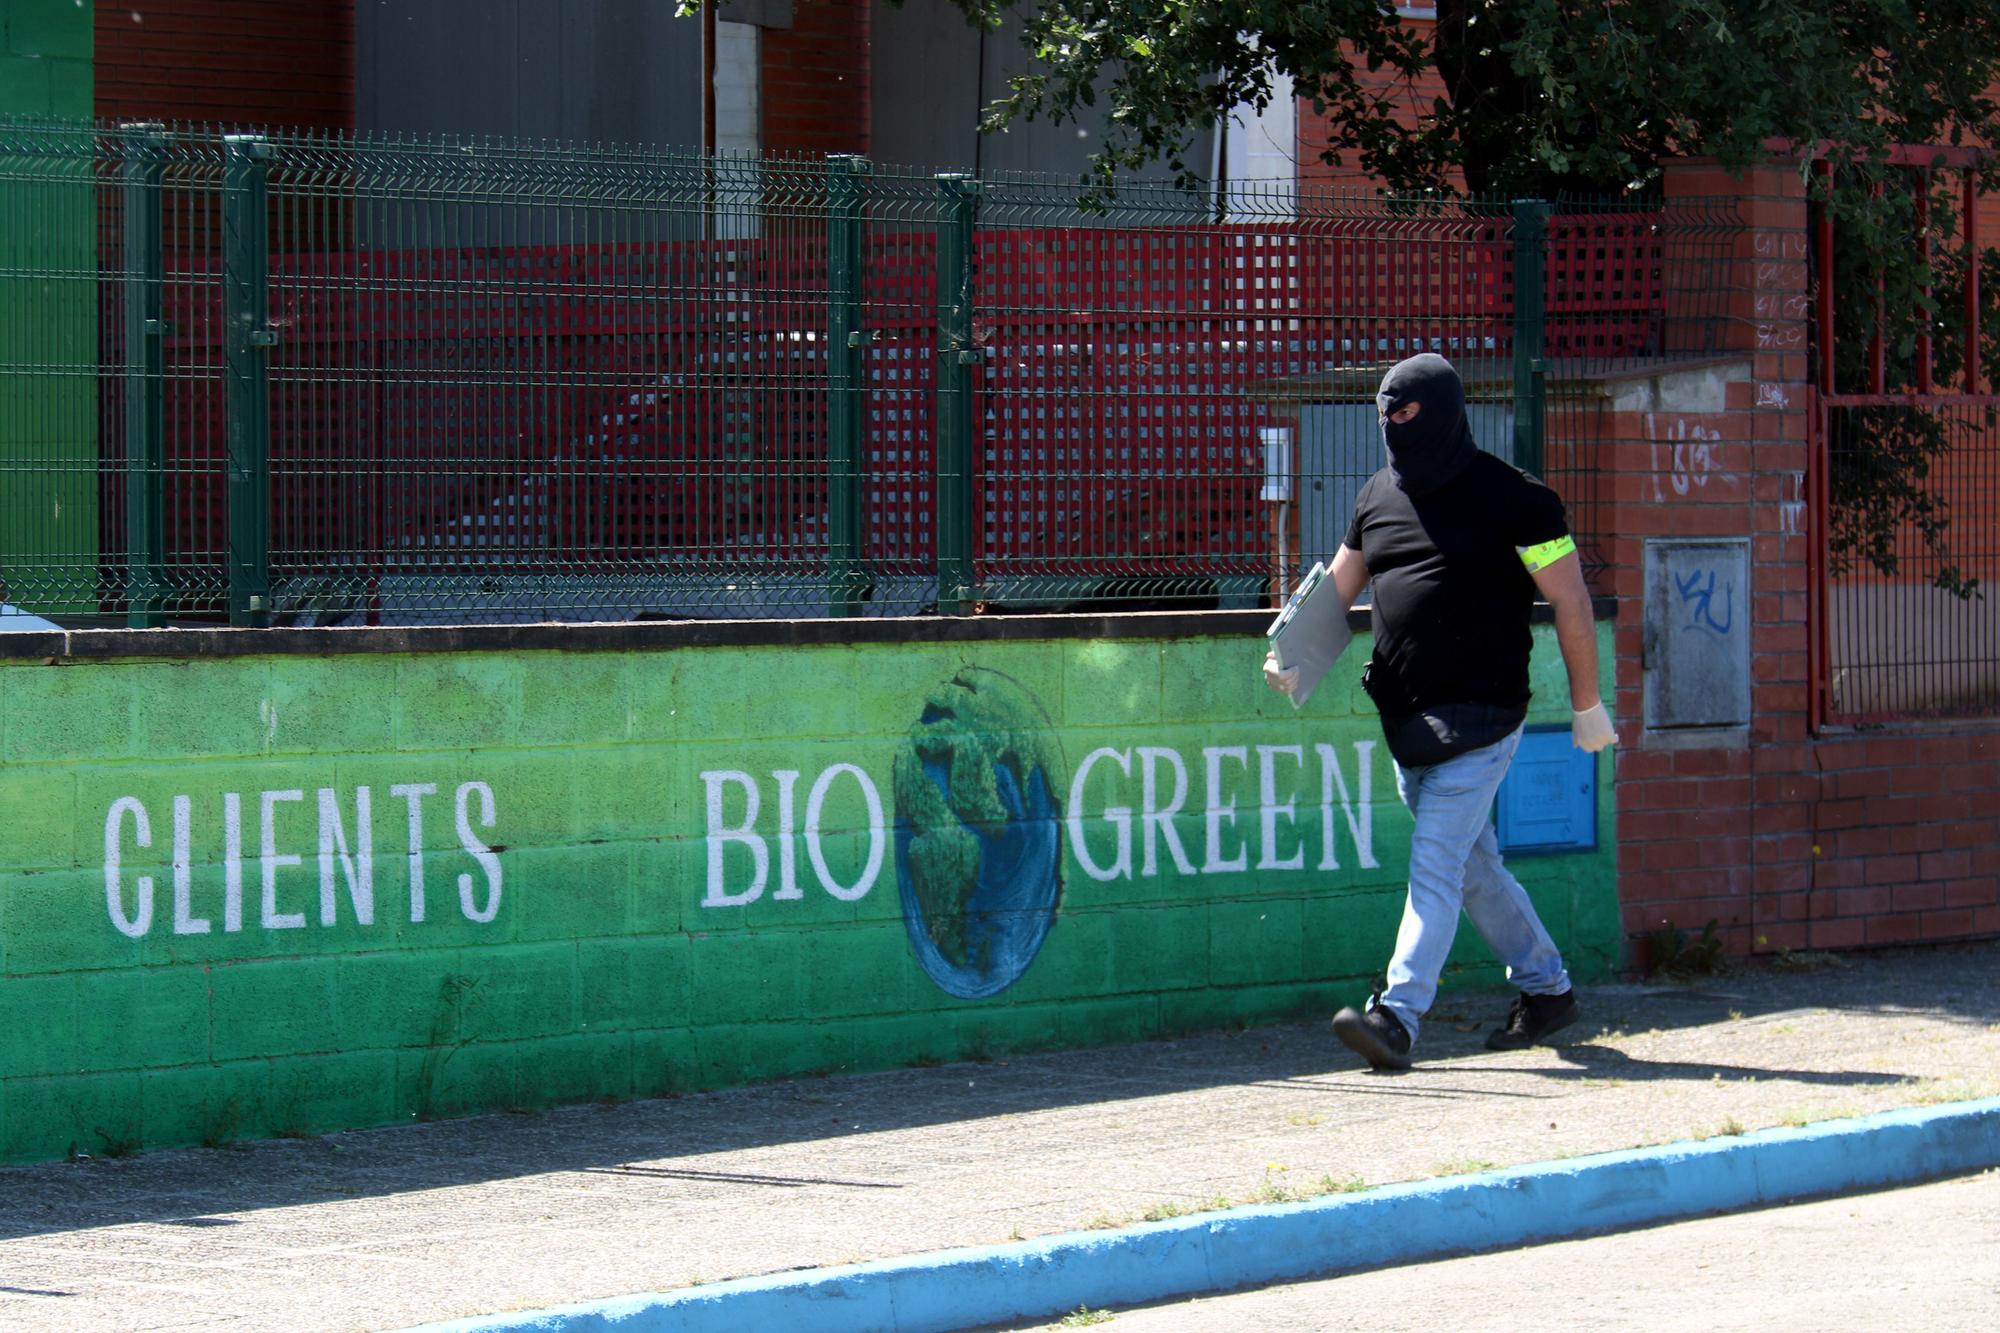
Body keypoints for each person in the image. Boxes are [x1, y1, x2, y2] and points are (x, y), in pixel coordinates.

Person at [1263, 353, 1616, 1070]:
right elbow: (1336, 592)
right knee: (1470, 866)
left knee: (1434, 866)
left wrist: (1588, 704)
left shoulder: (1518, 500)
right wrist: (1290, 654)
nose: (1395, 428)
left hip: (1484, 720)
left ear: (1446, 412)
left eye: (1408, 413)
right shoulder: (1375, 498)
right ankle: (1548, 988)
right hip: (1407, 724)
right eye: (1385, 415)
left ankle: (1397, 1016)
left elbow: (1572, 599)